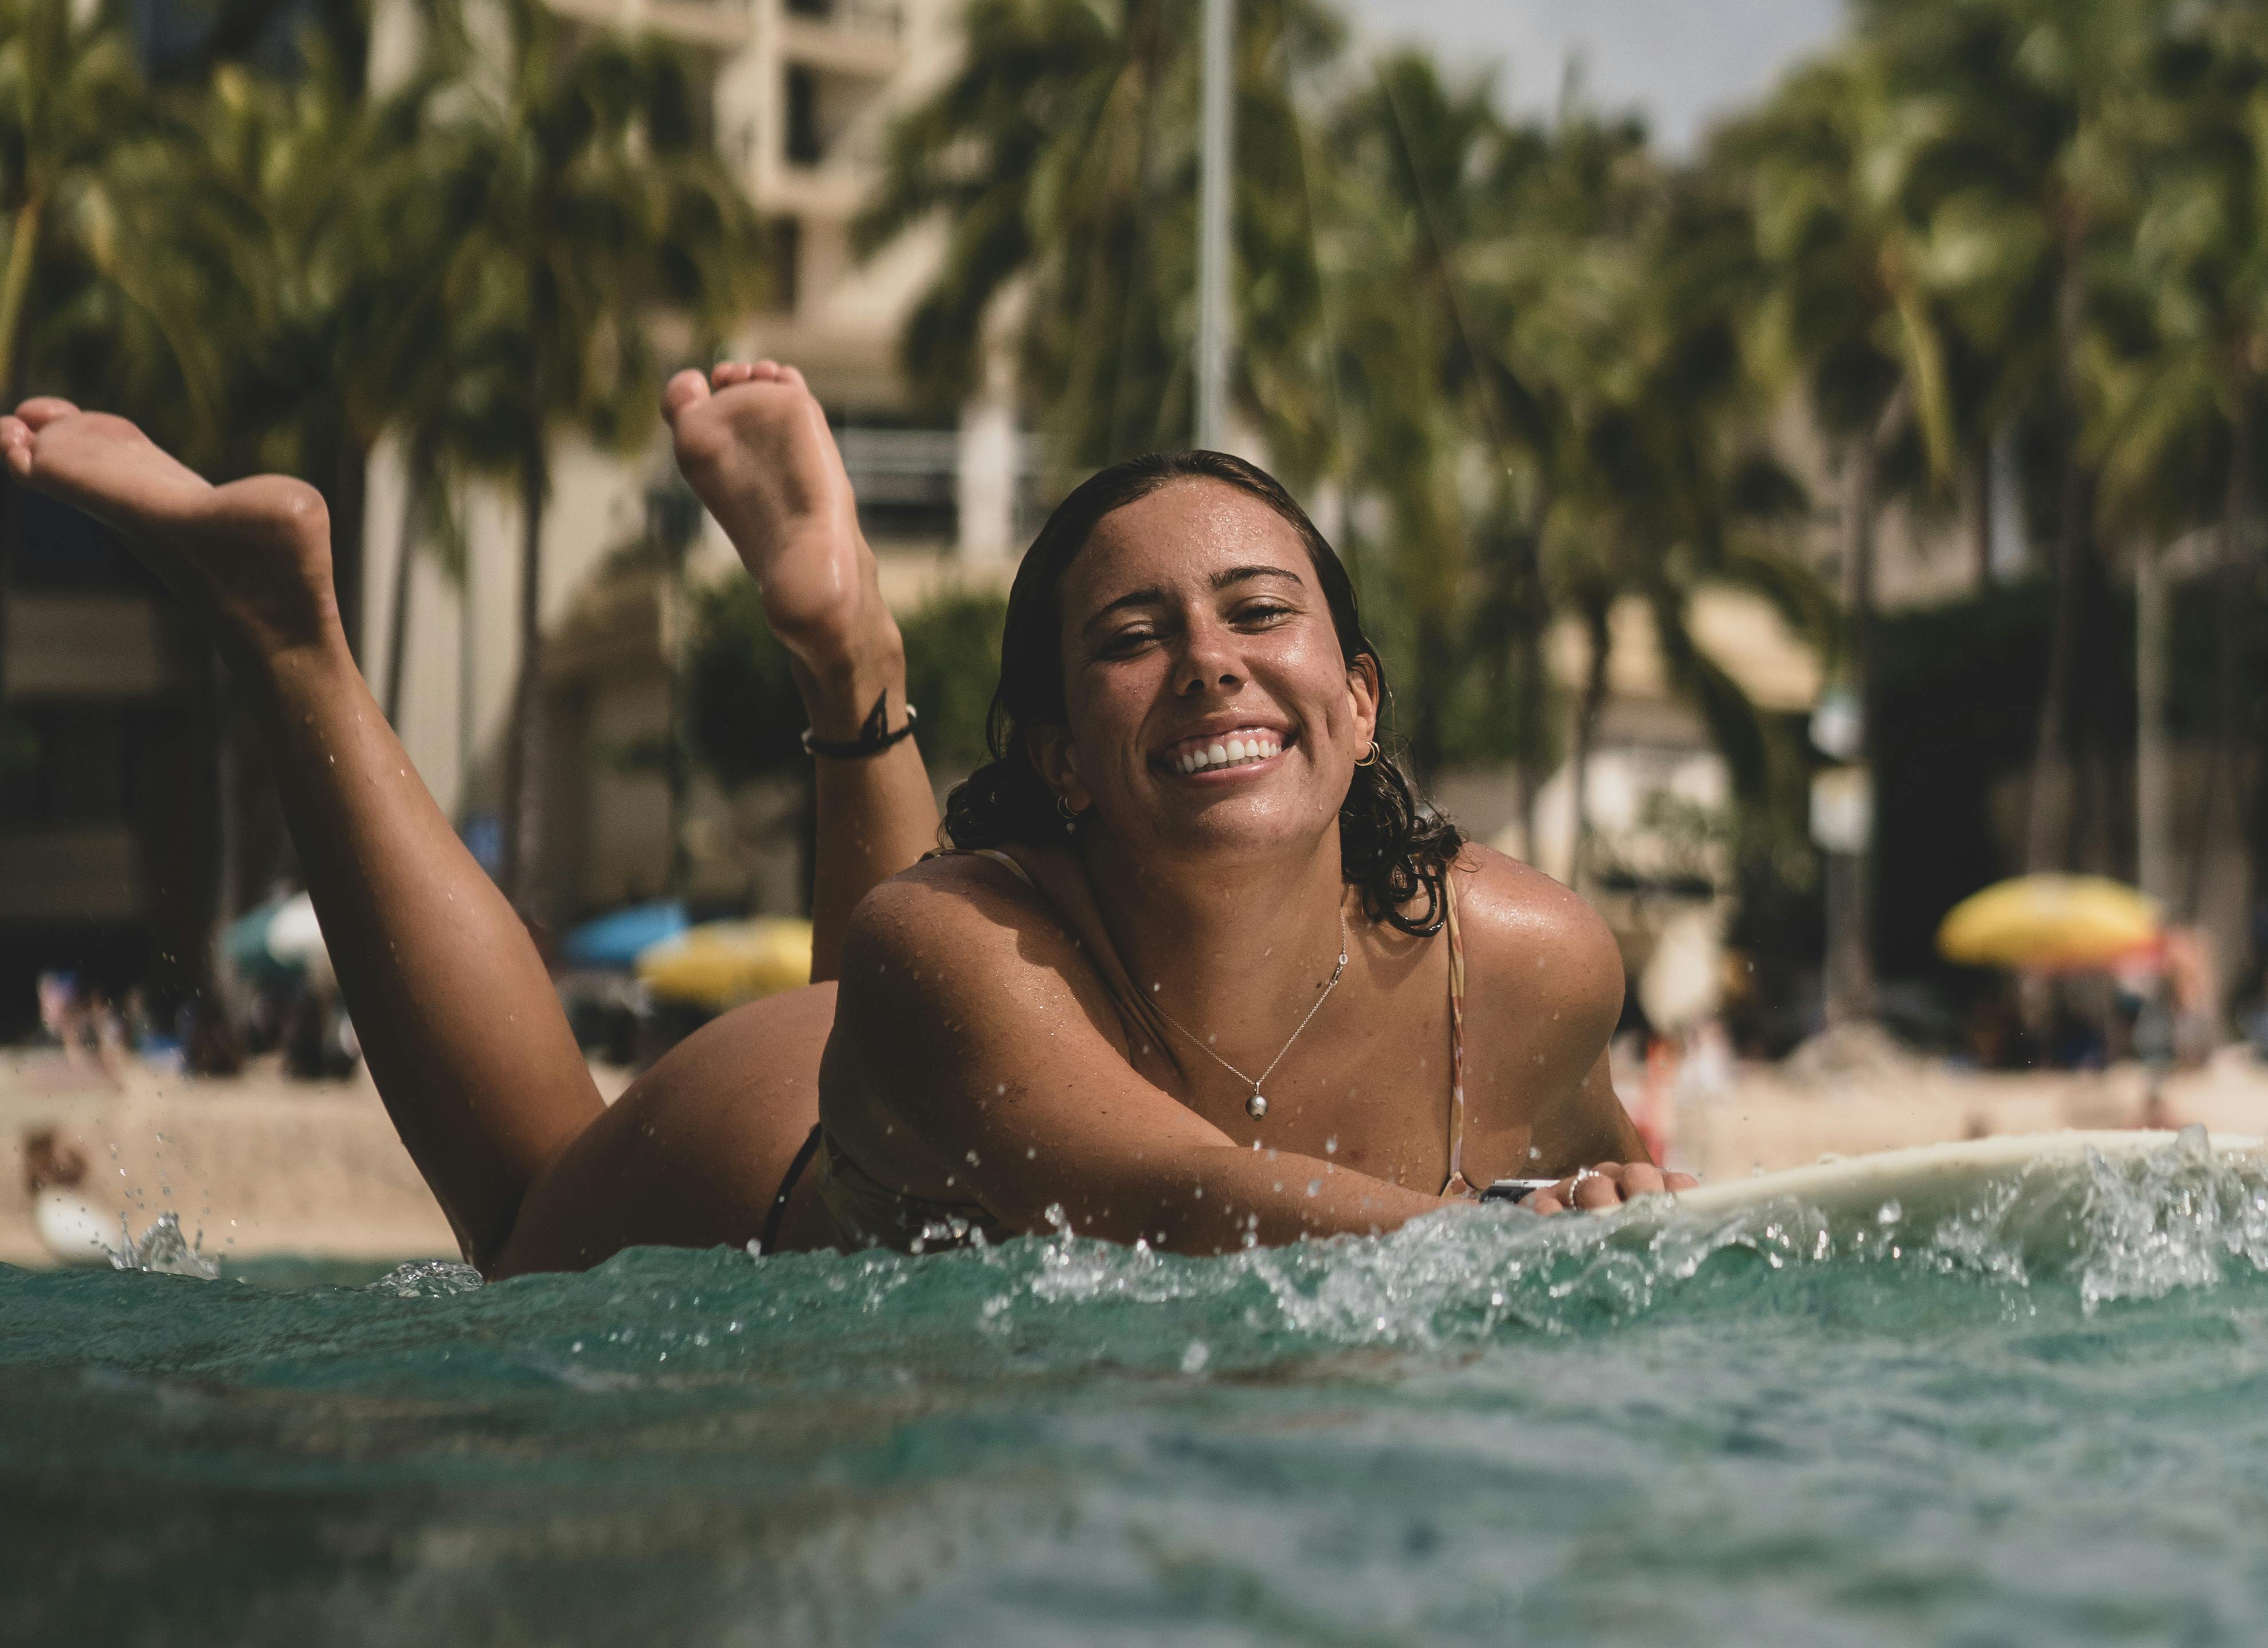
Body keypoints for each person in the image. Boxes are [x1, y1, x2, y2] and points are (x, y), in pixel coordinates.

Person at [0, 376, 1686, 1279]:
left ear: (1365, 696)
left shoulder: (1524, 964)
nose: (1209, 668)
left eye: (1260, 612)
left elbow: (1614, 1183)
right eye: (1132, 638)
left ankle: (837, 639)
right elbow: (1164, 1196)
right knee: (514, 1230)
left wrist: (1620, 1201)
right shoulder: (941, 943)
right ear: (1057, 757)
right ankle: (290, 635)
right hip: (780, 1171)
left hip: (964, 1073)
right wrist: (1478, 1242)